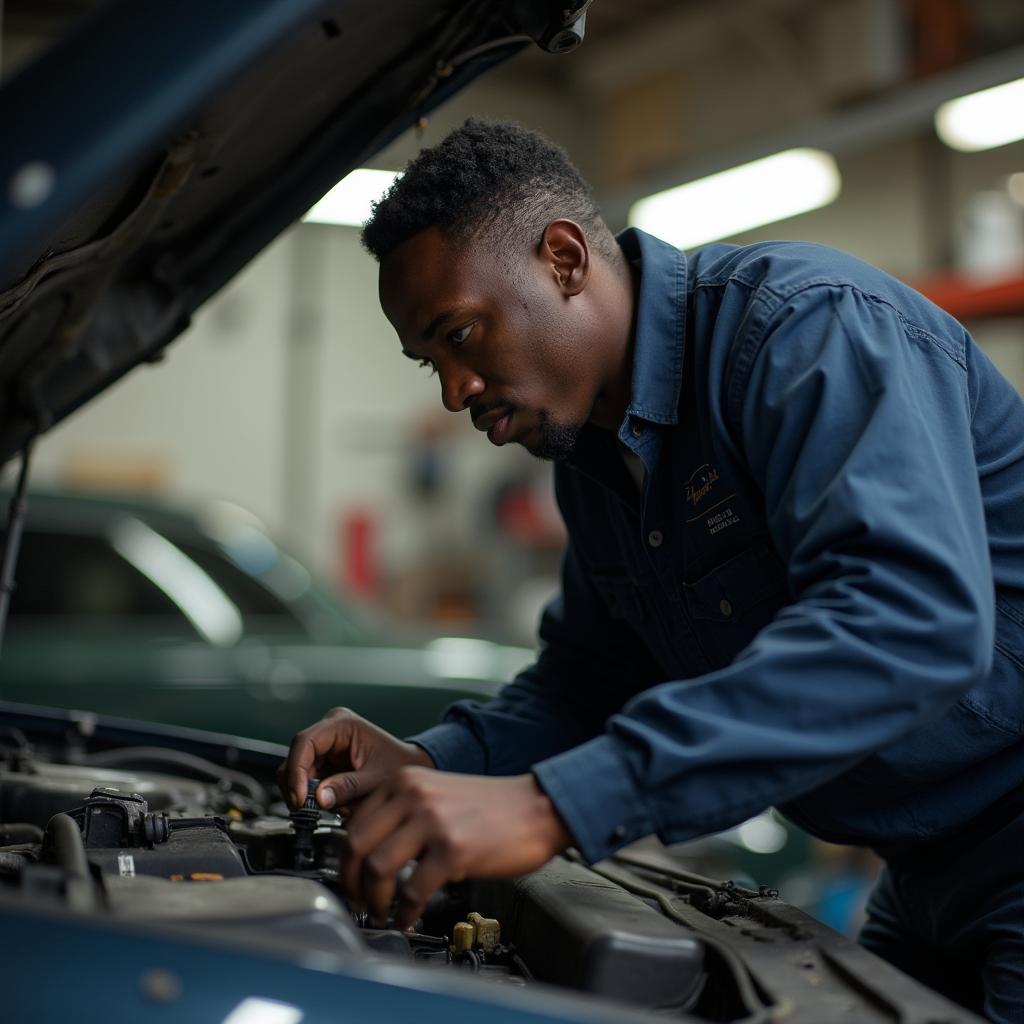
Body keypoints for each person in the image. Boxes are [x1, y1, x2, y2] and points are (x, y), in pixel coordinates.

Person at [281, 119, 1024, 1021]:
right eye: (430, 361)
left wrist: (557, 806)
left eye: (463, 335)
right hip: (922, 874)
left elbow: (908, 623)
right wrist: (435, 766)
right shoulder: (595, 460)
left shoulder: (803, 335)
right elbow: (591, 679)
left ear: (562, 259)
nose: (454, 390)